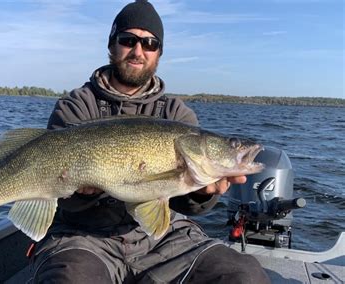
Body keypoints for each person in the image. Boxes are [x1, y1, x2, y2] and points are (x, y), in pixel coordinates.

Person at [27, 1, 270, 283]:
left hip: (160, 239)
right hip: (82, 236)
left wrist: (202, 194)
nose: (138, 51)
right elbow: (58, 195)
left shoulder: (177, 115)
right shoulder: (75, 107)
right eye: (128, 40)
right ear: (111, 46)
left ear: (159, 53)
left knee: (245, 275)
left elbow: (185, 205)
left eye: (150, 43)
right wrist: (83, 193)